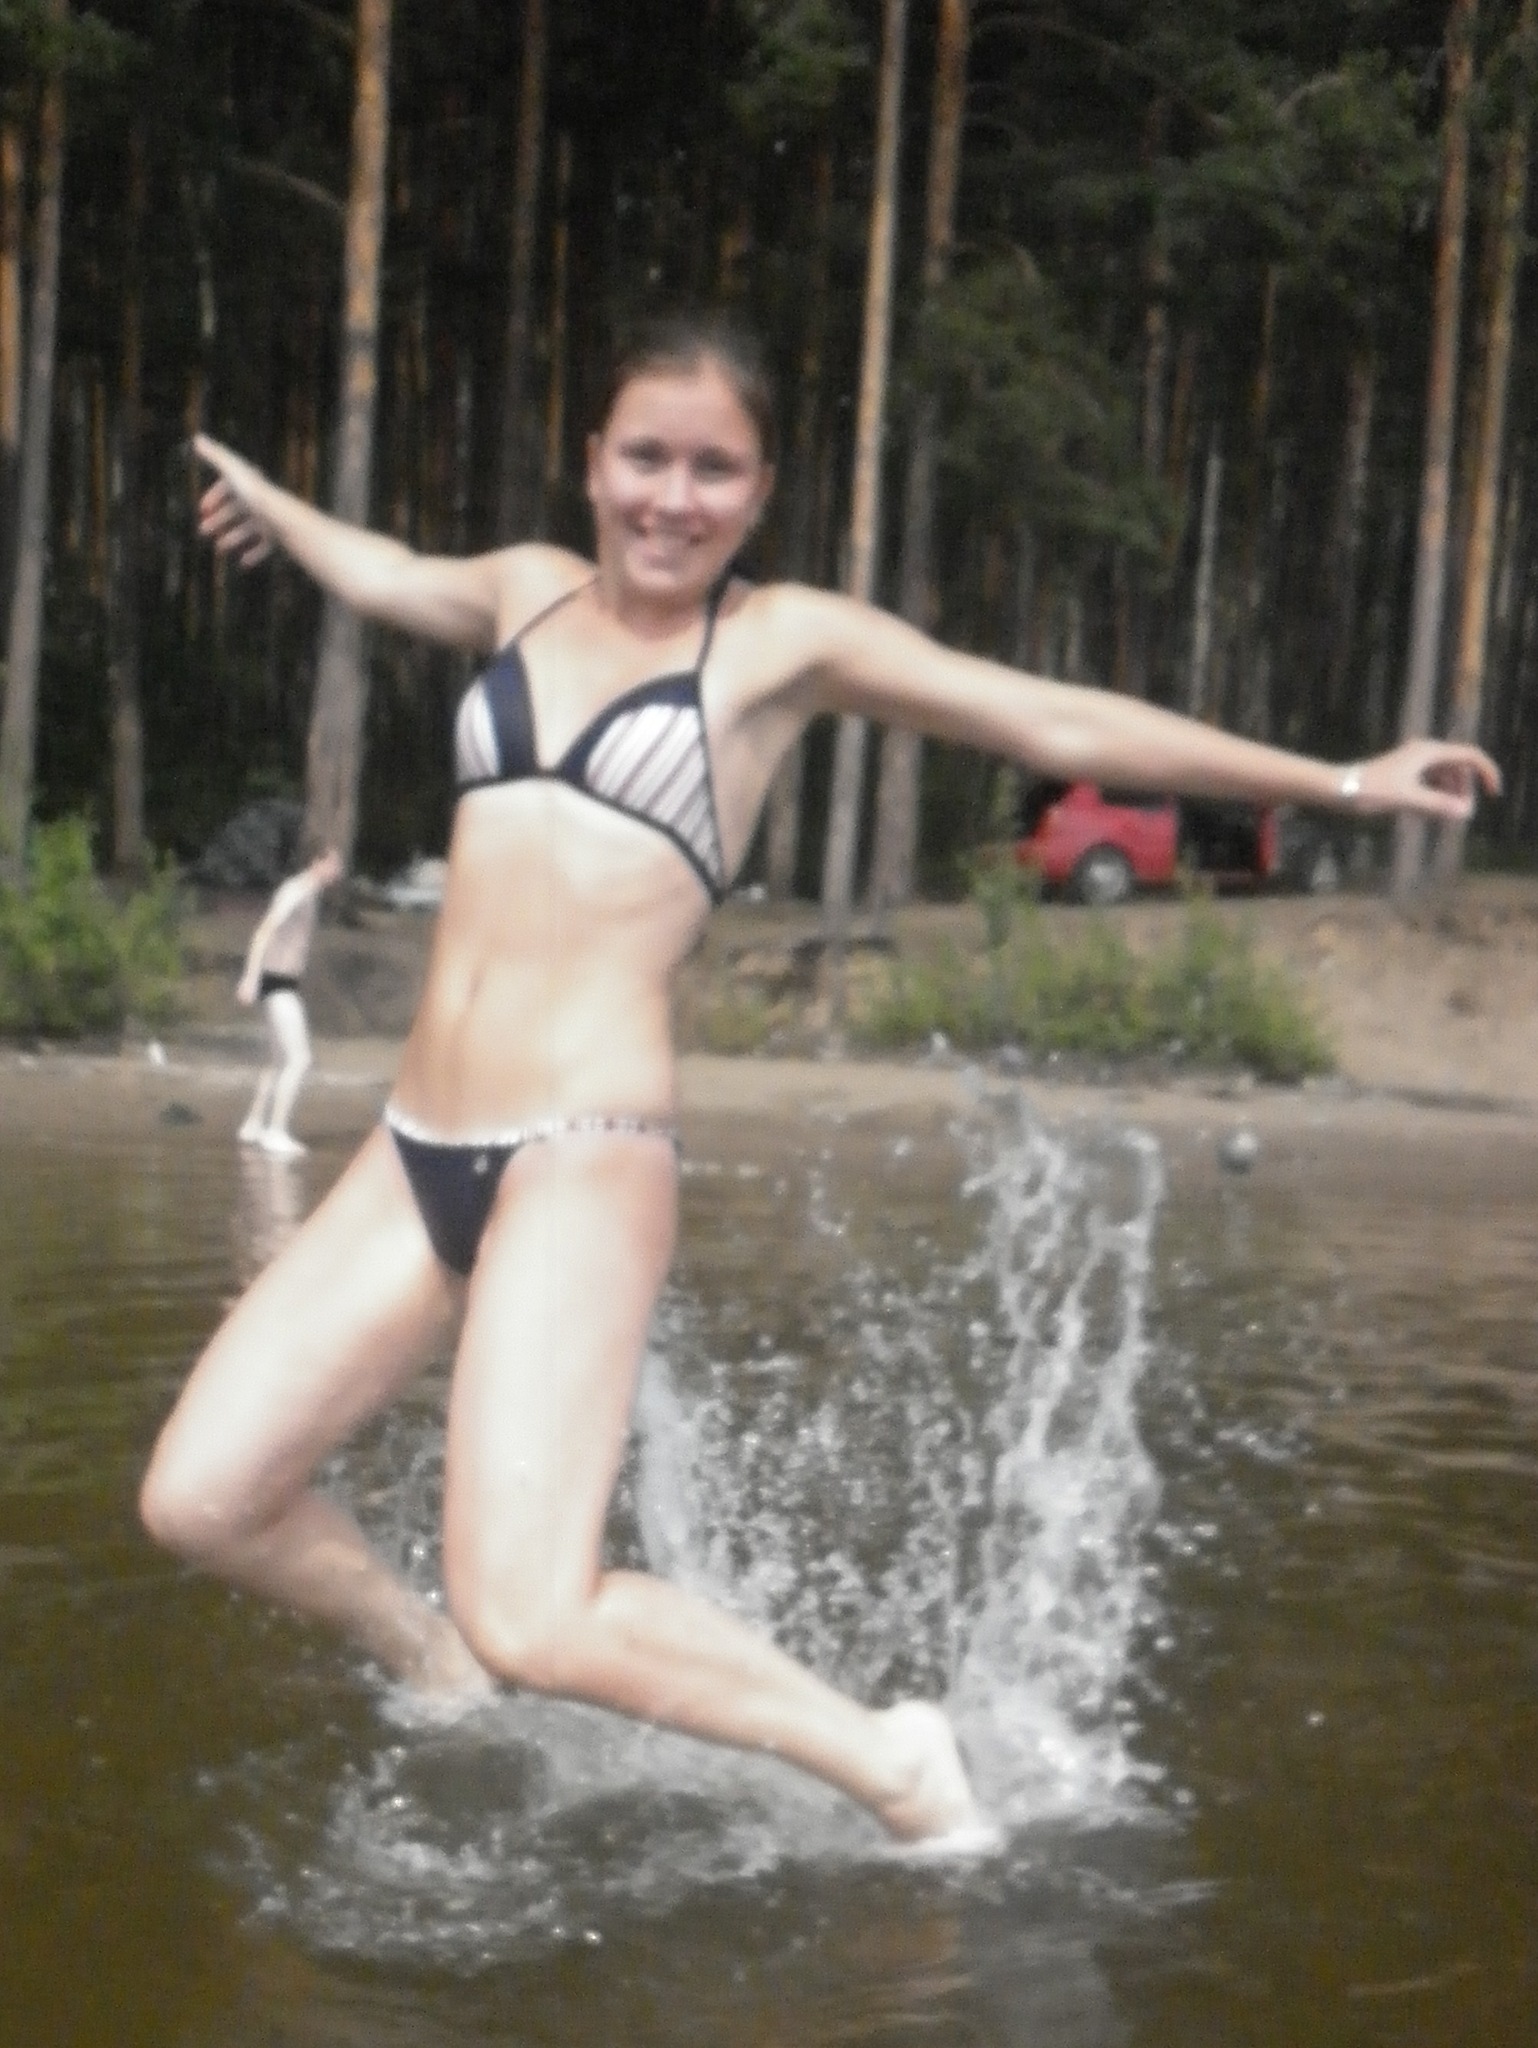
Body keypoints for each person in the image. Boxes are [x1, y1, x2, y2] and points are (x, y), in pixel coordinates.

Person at [139, 312, 1498, 1846]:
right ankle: (430, 1660)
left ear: (762, 489)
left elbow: (1047, 715)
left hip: (578, 1151)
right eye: (644, 457)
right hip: (415, 1143)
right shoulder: (522, 588)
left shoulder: (778, 643)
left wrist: (1338, 780)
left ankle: (888, 1759)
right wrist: (273, 502)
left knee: (536, 1610)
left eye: (713, 469)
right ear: (590, 461)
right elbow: (382, 568)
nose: (672, 498)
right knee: (204, 1496)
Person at [234, 845, 345, 1157]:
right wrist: (250, 978)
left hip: (282, 982)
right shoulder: (297, 891)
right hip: (276, 983)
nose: (339, 870)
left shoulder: (306, 892)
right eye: (334, 863)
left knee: (277, 1060)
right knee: (300, 1059)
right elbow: (264, 931)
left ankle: (253, 1125)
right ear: (317, 861)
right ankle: (276, 1131)